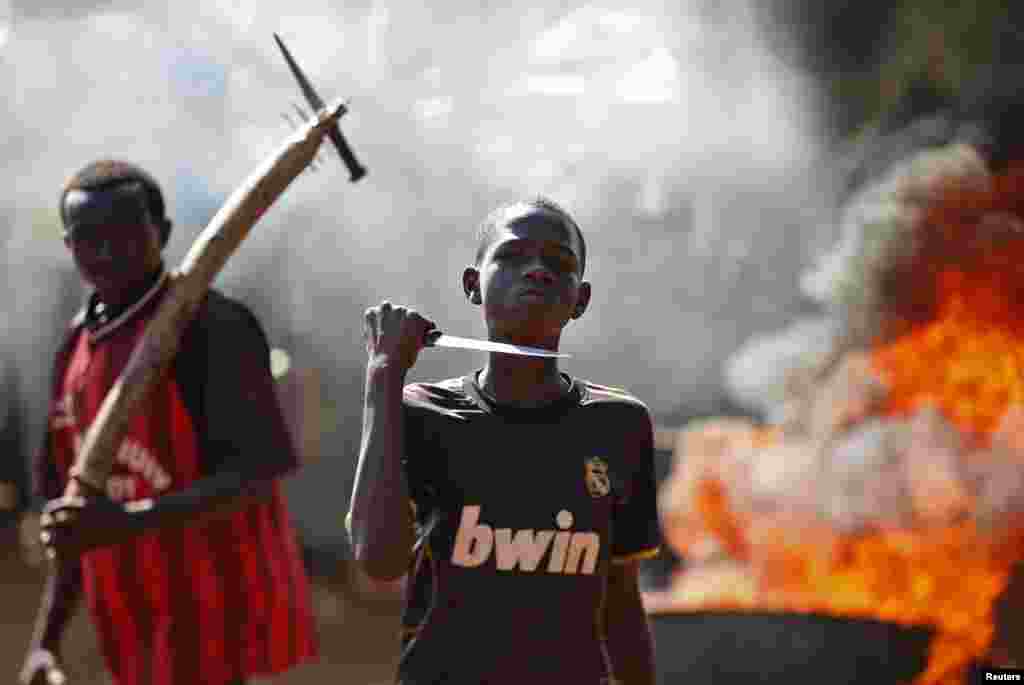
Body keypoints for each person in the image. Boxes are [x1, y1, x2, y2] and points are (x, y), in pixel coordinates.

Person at [20, 160, 318, 685]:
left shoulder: (210, 326)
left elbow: (256, 475)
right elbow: (76, 519)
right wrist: (46, 643)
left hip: (222, 629)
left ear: (163, 233)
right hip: (133, 632)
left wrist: (126, 520)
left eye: (125, 235)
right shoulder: (76, 348)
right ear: (69, 246)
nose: (107, 253)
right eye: (89, 239)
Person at [347, 198, 661, 684]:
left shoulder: (620, 425)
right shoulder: (421, 411)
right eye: (513, 257)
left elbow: (620, 602)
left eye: (559, 263)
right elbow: (380, 560)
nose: (536, 271)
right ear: (473, 285)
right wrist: (383, 375)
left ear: (581, 299)